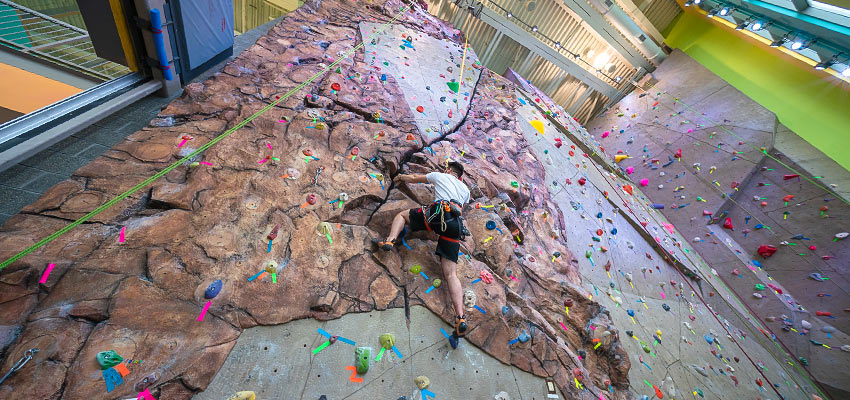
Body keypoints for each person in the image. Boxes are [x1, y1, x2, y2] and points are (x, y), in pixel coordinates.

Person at [374, 161, 471, 348]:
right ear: (459, 176)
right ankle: (460, 317)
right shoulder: (465, 189)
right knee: (451, 274)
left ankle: (390, 240)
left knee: (402, 216)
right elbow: (462, 208)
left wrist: (400, 177)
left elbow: (414, 179)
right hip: (455, 226)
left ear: (449, 171)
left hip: (437, 214)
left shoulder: (440, 176)